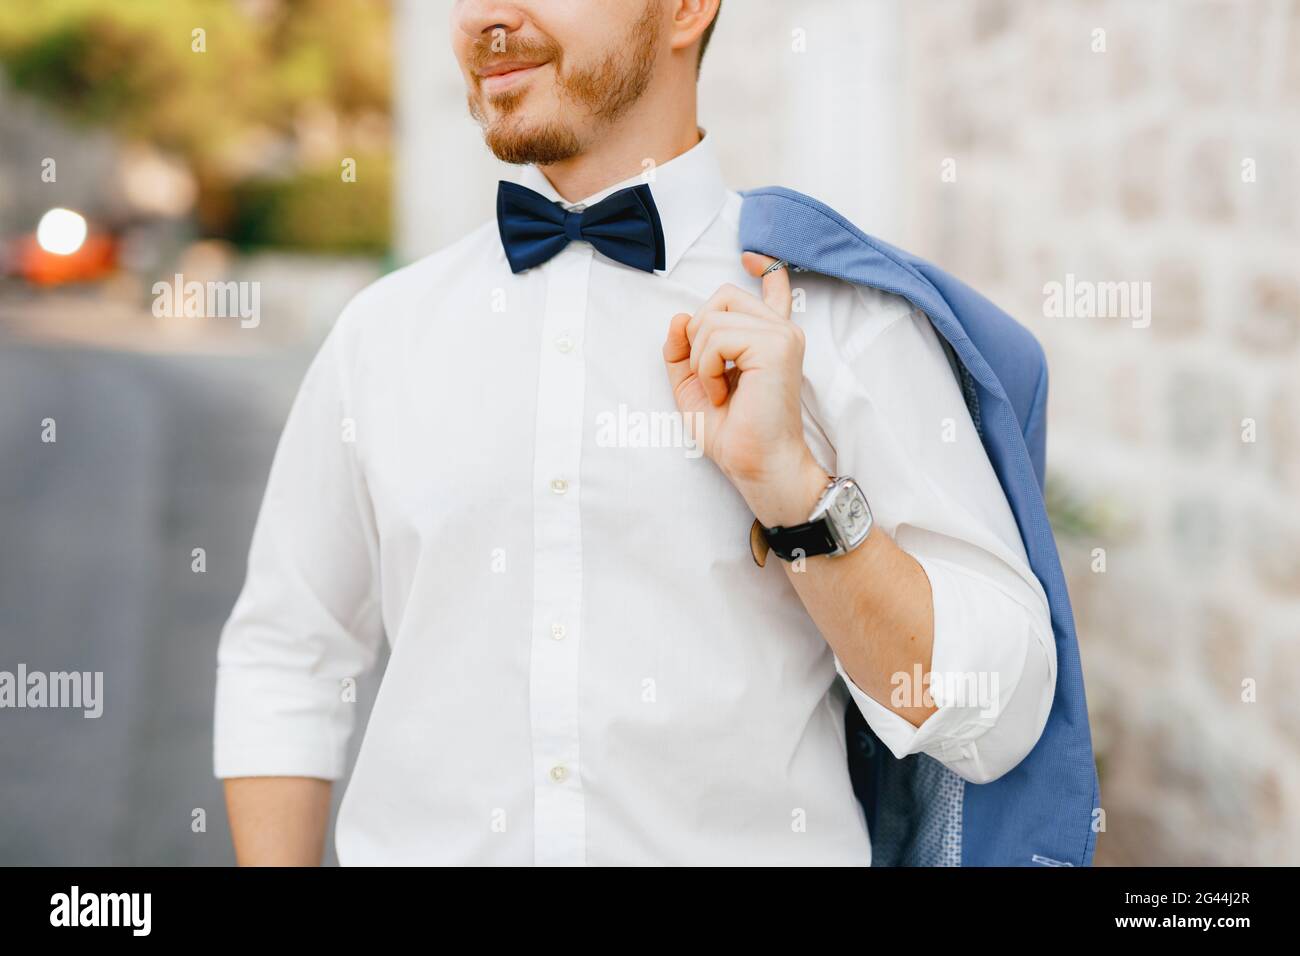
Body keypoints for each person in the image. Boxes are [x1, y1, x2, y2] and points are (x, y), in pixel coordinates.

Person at [215, 0, 1057, 866]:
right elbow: (288, 653)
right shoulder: (379, 335)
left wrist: (796, 497)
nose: (487, 19)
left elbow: (1002, 711)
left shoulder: (845, 321)